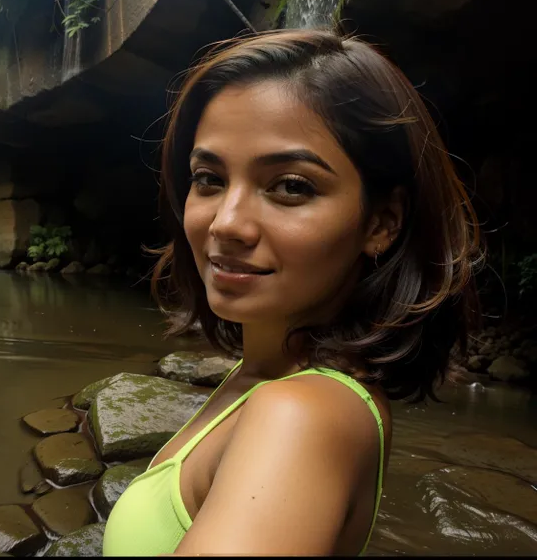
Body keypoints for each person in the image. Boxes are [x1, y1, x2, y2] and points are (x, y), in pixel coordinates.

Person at [102, 29, 482, 556]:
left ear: (381, 223)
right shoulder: (264, 376)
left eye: (291, 186)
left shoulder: (301, 414)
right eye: (209, 178)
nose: (227, 224)